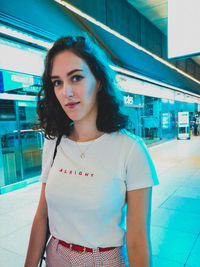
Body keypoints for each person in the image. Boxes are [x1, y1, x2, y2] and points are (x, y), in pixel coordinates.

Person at [24, 35, 158, 267]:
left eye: (76, 78)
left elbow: (137, 242)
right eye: (57, 82)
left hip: (104, 259)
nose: (66, 92)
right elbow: (42, 217)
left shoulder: (131, 150)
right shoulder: (53, 143)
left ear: (98, 81)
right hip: (55, 255)